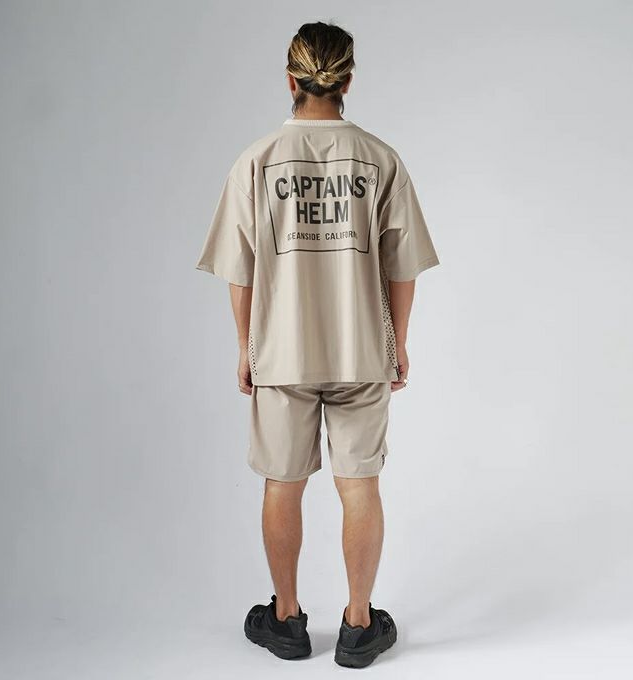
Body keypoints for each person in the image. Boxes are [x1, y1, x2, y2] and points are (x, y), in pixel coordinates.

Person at [195, 21, 440, 668]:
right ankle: (359, 625)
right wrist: (398, 343)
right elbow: (402, 267)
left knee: (283, 482)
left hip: (282, 352)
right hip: (361, 350)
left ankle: (285, 620)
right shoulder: (381, 160)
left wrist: (246, 346)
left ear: (291, 79)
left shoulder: (257, 160)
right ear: (348, 81)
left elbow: (241, 269)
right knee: (360, 484)